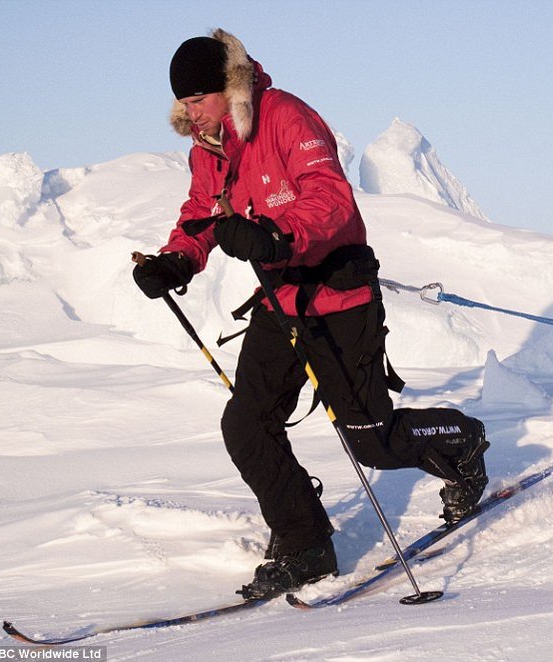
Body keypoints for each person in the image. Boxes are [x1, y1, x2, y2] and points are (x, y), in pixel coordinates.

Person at [132, 29, 489, 598]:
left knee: (371, 442)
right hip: (281, 302)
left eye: (198, 99)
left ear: (228, 86)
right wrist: (176, 260)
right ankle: (306, 544)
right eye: (183, 103)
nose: (190, 113)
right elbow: (201, 213)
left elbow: (331, 197)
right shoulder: (209, 149)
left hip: (338, 298)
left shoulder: (285, 117)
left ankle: (460, 440)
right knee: (246, 424)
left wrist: (276, 234)